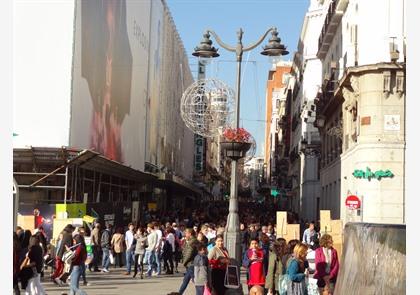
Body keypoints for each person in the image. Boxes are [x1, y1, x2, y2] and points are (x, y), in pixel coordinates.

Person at [178, 228, 198, 294]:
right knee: (186, 280)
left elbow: (189, 254)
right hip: (191, 264)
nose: (185, 235)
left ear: (189, 234)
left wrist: (184, 263)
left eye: (186, 233)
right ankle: (179, 293)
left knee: (196, 281)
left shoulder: (191, 242)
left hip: (191, 263)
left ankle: (202, 292)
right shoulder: (193, 241)